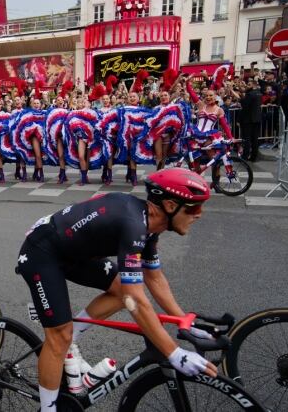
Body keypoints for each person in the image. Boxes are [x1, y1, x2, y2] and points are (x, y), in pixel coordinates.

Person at [16, 169, 215, 411]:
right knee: (60, 336)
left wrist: (184, 320)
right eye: (193, 208)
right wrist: (173, 353)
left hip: (72, 253)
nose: (200, 215)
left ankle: (73, 336)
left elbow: (154, 277)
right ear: (171, 205)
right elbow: (137, 299)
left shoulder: (150, 225)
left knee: (122, 288)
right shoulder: (133, 225)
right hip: (42, 253)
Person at [239, 78, 263, 162]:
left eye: (248, 85)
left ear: (253, 85)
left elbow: (243, 103)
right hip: (257, 119)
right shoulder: (259, 93)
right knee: (255, 139)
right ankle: (254, 156)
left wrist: (241, 97)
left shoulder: (251, 94)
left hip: (249, 120)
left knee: (248, 139)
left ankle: (245, 156)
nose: (246, 86)